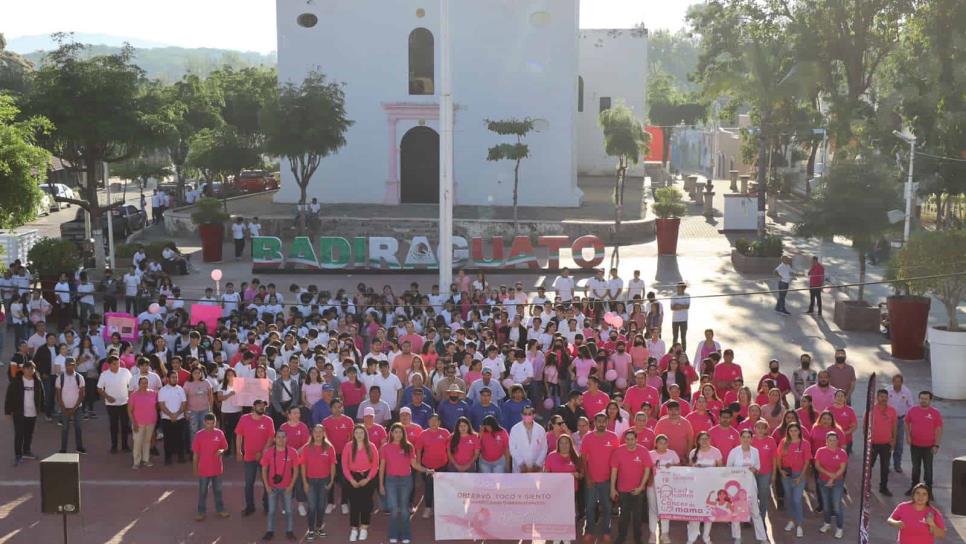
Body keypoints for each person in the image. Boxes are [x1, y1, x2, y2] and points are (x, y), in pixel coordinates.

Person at [380, 422, 433, 544]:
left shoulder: (409, 447)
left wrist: (426, 470)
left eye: (400, 432)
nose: (398, 434)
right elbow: (382, 467)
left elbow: (414, 464)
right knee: (393, 509)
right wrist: (381, 485)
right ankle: (393, 533)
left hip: (406, 480)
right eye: (395, 432)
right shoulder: (385, 448)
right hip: (390, 481)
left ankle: (405, 534)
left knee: (404, 509)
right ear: (391, 433)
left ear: (403, 434)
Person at [609, 428, 653, 544]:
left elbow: (647, 470)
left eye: (632, 439)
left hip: (638, 490)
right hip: (623, 490)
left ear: (636, 439)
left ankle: (638, 538)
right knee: (624, 515)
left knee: (638, 516)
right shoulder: (618, 451)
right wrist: (613, 488)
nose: (630, 442)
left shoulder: (643, 451)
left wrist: (641, 487)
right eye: (627, 439)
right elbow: (614, 471)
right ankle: (621, 536)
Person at [582, 412, 621, 540]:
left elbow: (616, 459)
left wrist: (614, 481)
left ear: (607, 422)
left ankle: (606, 531)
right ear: (594, 422)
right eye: (599, 421)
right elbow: (583, 459)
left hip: (607, 480)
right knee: (590, 507)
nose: (601, 424)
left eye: (604, 421)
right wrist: (587, 478)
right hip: (591, 480)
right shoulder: (587, 438)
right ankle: (590, 531)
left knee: (607, 507)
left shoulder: (613, 437)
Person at [725, 429, 768, 543]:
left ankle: (762, 538)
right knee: (736, 511)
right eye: (743, 437)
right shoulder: (734, 452)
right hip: (736, 486)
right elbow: (728, 468)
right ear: (740, 438)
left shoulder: (755, 451)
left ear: (751, 438)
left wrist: (754, 469)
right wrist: (738, 472)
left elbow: (758, 466)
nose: (746, 439)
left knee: (755, 511)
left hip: (750, 484)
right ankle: (737, 537)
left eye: (748, 437)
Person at [238, 400, 276, 516]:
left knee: (267, 483)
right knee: (249, 483)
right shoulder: (244, 418)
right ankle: (250, 507)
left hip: (265, 458)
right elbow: (239, 435)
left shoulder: (268, 420)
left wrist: (263, 451)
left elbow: (271, 437)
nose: (261, 407)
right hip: (249, 457)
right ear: (253, 407)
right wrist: (238, 451)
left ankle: (267, 506)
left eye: (263, 406)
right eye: (259, 405)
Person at [342, 423, 379, 542]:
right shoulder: (348, 446)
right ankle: (354, 529)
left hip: (367, 477)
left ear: (365, 434)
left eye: (361, 432)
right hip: (353, 477)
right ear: (353, 434)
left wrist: (367, 479)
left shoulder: (371, 446)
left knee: (366, 504)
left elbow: (375, 465)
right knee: (354, 504)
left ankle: (364, 527)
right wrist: (351, 480)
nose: (359, 435)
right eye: (356, 432)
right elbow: (344, 466)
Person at [300, 424, 337, 541]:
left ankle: (319, 528)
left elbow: (332, 465)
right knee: (311, 506)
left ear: (323, 433)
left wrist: (331, 480)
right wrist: (305, 482)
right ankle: (311, 530)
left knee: (321, 506)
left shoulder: (329, 447)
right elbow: (303, 466)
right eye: (315, 431)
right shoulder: (306, 447)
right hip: (310, 481)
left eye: (320, 431)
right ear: (312, 433)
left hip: (324, 481)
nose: (318, 434)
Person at [5, 361, 45, 465]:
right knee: (19, 434)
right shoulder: (16, 382)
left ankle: (26, 451)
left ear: (34, 370)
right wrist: (7, 412)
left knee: (29, 434)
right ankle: (18, 455)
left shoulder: (37, 381)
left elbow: (42, 395)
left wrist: (41, 408)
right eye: (27, 368)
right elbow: (9, 397)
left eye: (32, 369)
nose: (29, 370)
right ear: (23, 370)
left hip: (32, 413)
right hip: (19, 413)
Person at [261, 430, 299, 541]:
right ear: (274, 439)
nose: (281, 440)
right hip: (272, 487)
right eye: (278, 437)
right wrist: (267, 486)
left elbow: (296, 470)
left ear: (287, 439)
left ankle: (289, 531)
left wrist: (291, 486)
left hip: (287, 487)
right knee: (271, 511)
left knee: (289, 511)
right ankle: (269, 531)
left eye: (283, 437)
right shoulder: (269, 452)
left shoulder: (292, 452)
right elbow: (264, 470)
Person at [193, 413, 230, 521]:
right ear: (204, 423)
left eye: (212, 423)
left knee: (218, 490)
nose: (210, 425)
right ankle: (201, 512)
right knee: (203, 491)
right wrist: (195, 469)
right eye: (208, 423)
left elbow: (225, 446)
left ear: (215, 423)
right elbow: (195, 454)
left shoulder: (219, 433)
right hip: (204, 469)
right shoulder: (199, 435)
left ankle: (220, 509)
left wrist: (221, 450)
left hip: (217, 469)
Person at [686, 431, 722, 544]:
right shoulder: (693, 453)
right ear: (698, 441)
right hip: (696, 487)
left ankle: (706, 537)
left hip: (711, 488)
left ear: (710, 440)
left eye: (707, 438)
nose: (705, 441)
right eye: (702, 439)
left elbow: (720, 469)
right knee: (695, 512)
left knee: (709, 513)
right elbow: (690, 470)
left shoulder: (716, 452)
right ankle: (692, 536)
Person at [905, 390, 943, 496]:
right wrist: (908, 435)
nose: (923, 401)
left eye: (926, 399)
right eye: (921, 398)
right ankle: (914, 488)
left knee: (928, 469)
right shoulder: (912, 410)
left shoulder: (935, 413)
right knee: (915, 468)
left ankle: (929, 491)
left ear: (930, 400)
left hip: (929, 447)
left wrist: (936, 445)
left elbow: (939, 429)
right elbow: (906, 422)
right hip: (915, 445)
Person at [777, 422, 811, 537]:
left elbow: (807, 462)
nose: (793, 433)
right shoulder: (783, 442)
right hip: (786, 474)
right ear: (788, 432)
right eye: (791, 431)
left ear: (799, 431)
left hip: (799, 475)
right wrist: (780, 470)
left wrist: (800, 477)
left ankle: (799, 525)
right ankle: (791, 521)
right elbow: (778, 457)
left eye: (795, 430)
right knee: (789, 498)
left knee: (797, 499)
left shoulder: (804, 444)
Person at [416, 414, 450, 519]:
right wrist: (418, 465)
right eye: (431, 421)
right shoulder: (423, 434)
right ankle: (428, 508)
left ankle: (439, 509)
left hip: (443, 465)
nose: (434, 423)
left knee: (441, 488)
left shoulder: (445, 433)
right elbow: (418, 450)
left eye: (436, 421)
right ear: (428, 422)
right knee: (429, 487)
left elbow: (448, 449)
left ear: (439, 422)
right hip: (428, 466)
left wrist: (449, 462)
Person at [814, 432, 848, 538]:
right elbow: (817, 466)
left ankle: (839, 528)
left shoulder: (842, 452)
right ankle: (827, 523)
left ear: (838, 441)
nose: (832, 442)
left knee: (836, 506)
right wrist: (829, 475)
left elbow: (842, 469)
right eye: (830, 440)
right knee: (826, 505)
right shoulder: (820, 451)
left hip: (837, 482)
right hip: (823, 481)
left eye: (834, 440)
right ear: (826, 441)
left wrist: (832, 479)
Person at [97, 355, 132, 453]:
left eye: (118, 363)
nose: (117, 365)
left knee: (125, 425)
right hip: (111, 405)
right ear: (109, 365)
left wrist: (130, 397)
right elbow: (99, 388)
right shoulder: (104, 374)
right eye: (114, 364)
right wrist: (107, 397)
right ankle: (114, 446)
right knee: (114, 426)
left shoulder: (125, 372)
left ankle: (125, 446)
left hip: (125, 403)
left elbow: (131, 385)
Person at [647, 434, 678, 543]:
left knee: (666, 508)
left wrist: (673, 466)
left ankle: (664, 533)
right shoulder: (650, 454)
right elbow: (646, 469)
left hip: (668, 486)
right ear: (656, 444)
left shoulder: (672, 454)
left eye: (665, 443)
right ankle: (652, 534)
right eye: (660, 443)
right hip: (653, 485)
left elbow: (680, 468)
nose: (663, 445)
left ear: (668, 444)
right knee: (653, 508)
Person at [867, 388, 897, 496]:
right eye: (881, 396)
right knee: (869, 466)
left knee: (885, 467)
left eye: (885, 397)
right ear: (877, 397)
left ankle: (883, 487)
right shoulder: (871, 410)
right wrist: (868, 442)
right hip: (873, 444)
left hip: (886, 444)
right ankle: (867, 486)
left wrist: (894, 440)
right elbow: (865, 427)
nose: (883, 399)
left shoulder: (892, 411)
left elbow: (894, 427)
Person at [56, 358, 86, 454]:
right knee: (65, 428)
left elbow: (82, 394)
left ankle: (79, 447)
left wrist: (75, 408)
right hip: (64, 408)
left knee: (78, 427)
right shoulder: (60, 378)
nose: (70, 367)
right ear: (65, 365)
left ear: (75, 365)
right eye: (69, 365)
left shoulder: (79, 377)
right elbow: (58, 395)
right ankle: (63, 449)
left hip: (77, 408)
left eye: (72, 365)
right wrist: (63, 408)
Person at [158, 370, 188, 464]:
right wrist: (171, 415)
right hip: (167, 419)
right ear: (168, 378)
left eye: (176, 377)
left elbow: (184, 403)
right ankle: (168, 458)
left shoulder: (181, 389)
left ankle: (181, 457)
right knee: (168, 439)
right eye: (173, 377)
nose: (175, 379)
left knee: (181, 439)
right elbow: (162, 405)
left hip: (180, 418)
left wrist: (177, 414)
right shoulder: (163, 390)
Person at [128, 376, 158, 468]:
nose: (144, 385)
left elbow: (156, 406)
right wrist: (134, 423)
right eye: (142, 383)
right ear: (139, 384)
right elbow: (129, 410)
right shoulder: (134, 395)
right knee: (137, 442)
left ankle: (146, 460)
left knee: (147, 442)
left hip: (151, 422)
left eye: (146, 383)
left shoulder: (153, 394)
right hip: (138, 423)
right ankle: (136, 462)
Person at [888, 373, 914, 473]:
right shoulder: (888, 390)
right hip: (889, 421)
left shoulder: (906, 391)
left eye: (899, 382)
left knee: (899, 443)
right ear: (892, 382)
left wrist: (907, 418)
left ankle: (897, 464)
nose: (897, 383)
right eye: (895, 381)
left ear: (902, 382)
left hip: (900, 420)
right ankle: (887, 465)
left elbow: (911, 405)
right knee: (888, 442)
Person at [508, 405, 547, 473]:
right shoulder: (515, 429)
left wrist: (537, 464)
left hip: (536, 468)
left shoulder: (540, 429)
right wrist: (521, 464)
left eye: (529, 414)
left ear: (534, 415)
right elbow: (512, 448)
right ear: (521, 415)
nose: (527, 416)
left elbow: (544, 448)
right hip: (519, 468)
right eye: (525, 414)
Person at [670, 282, 690, 351]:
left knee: (683, 337)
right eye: (677, 287)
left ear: (683, 288)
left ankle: (683, 352)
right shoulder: (673, 296)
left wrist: (678, 305)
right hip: (675, 320)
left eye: (679, 287)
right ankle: (673, 351)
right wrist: (682, 306)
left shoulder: (687, 295)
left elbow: (687, 306)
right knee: (675, 337)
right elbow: (672, 307)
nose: (677, 288)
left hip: (684, 320)